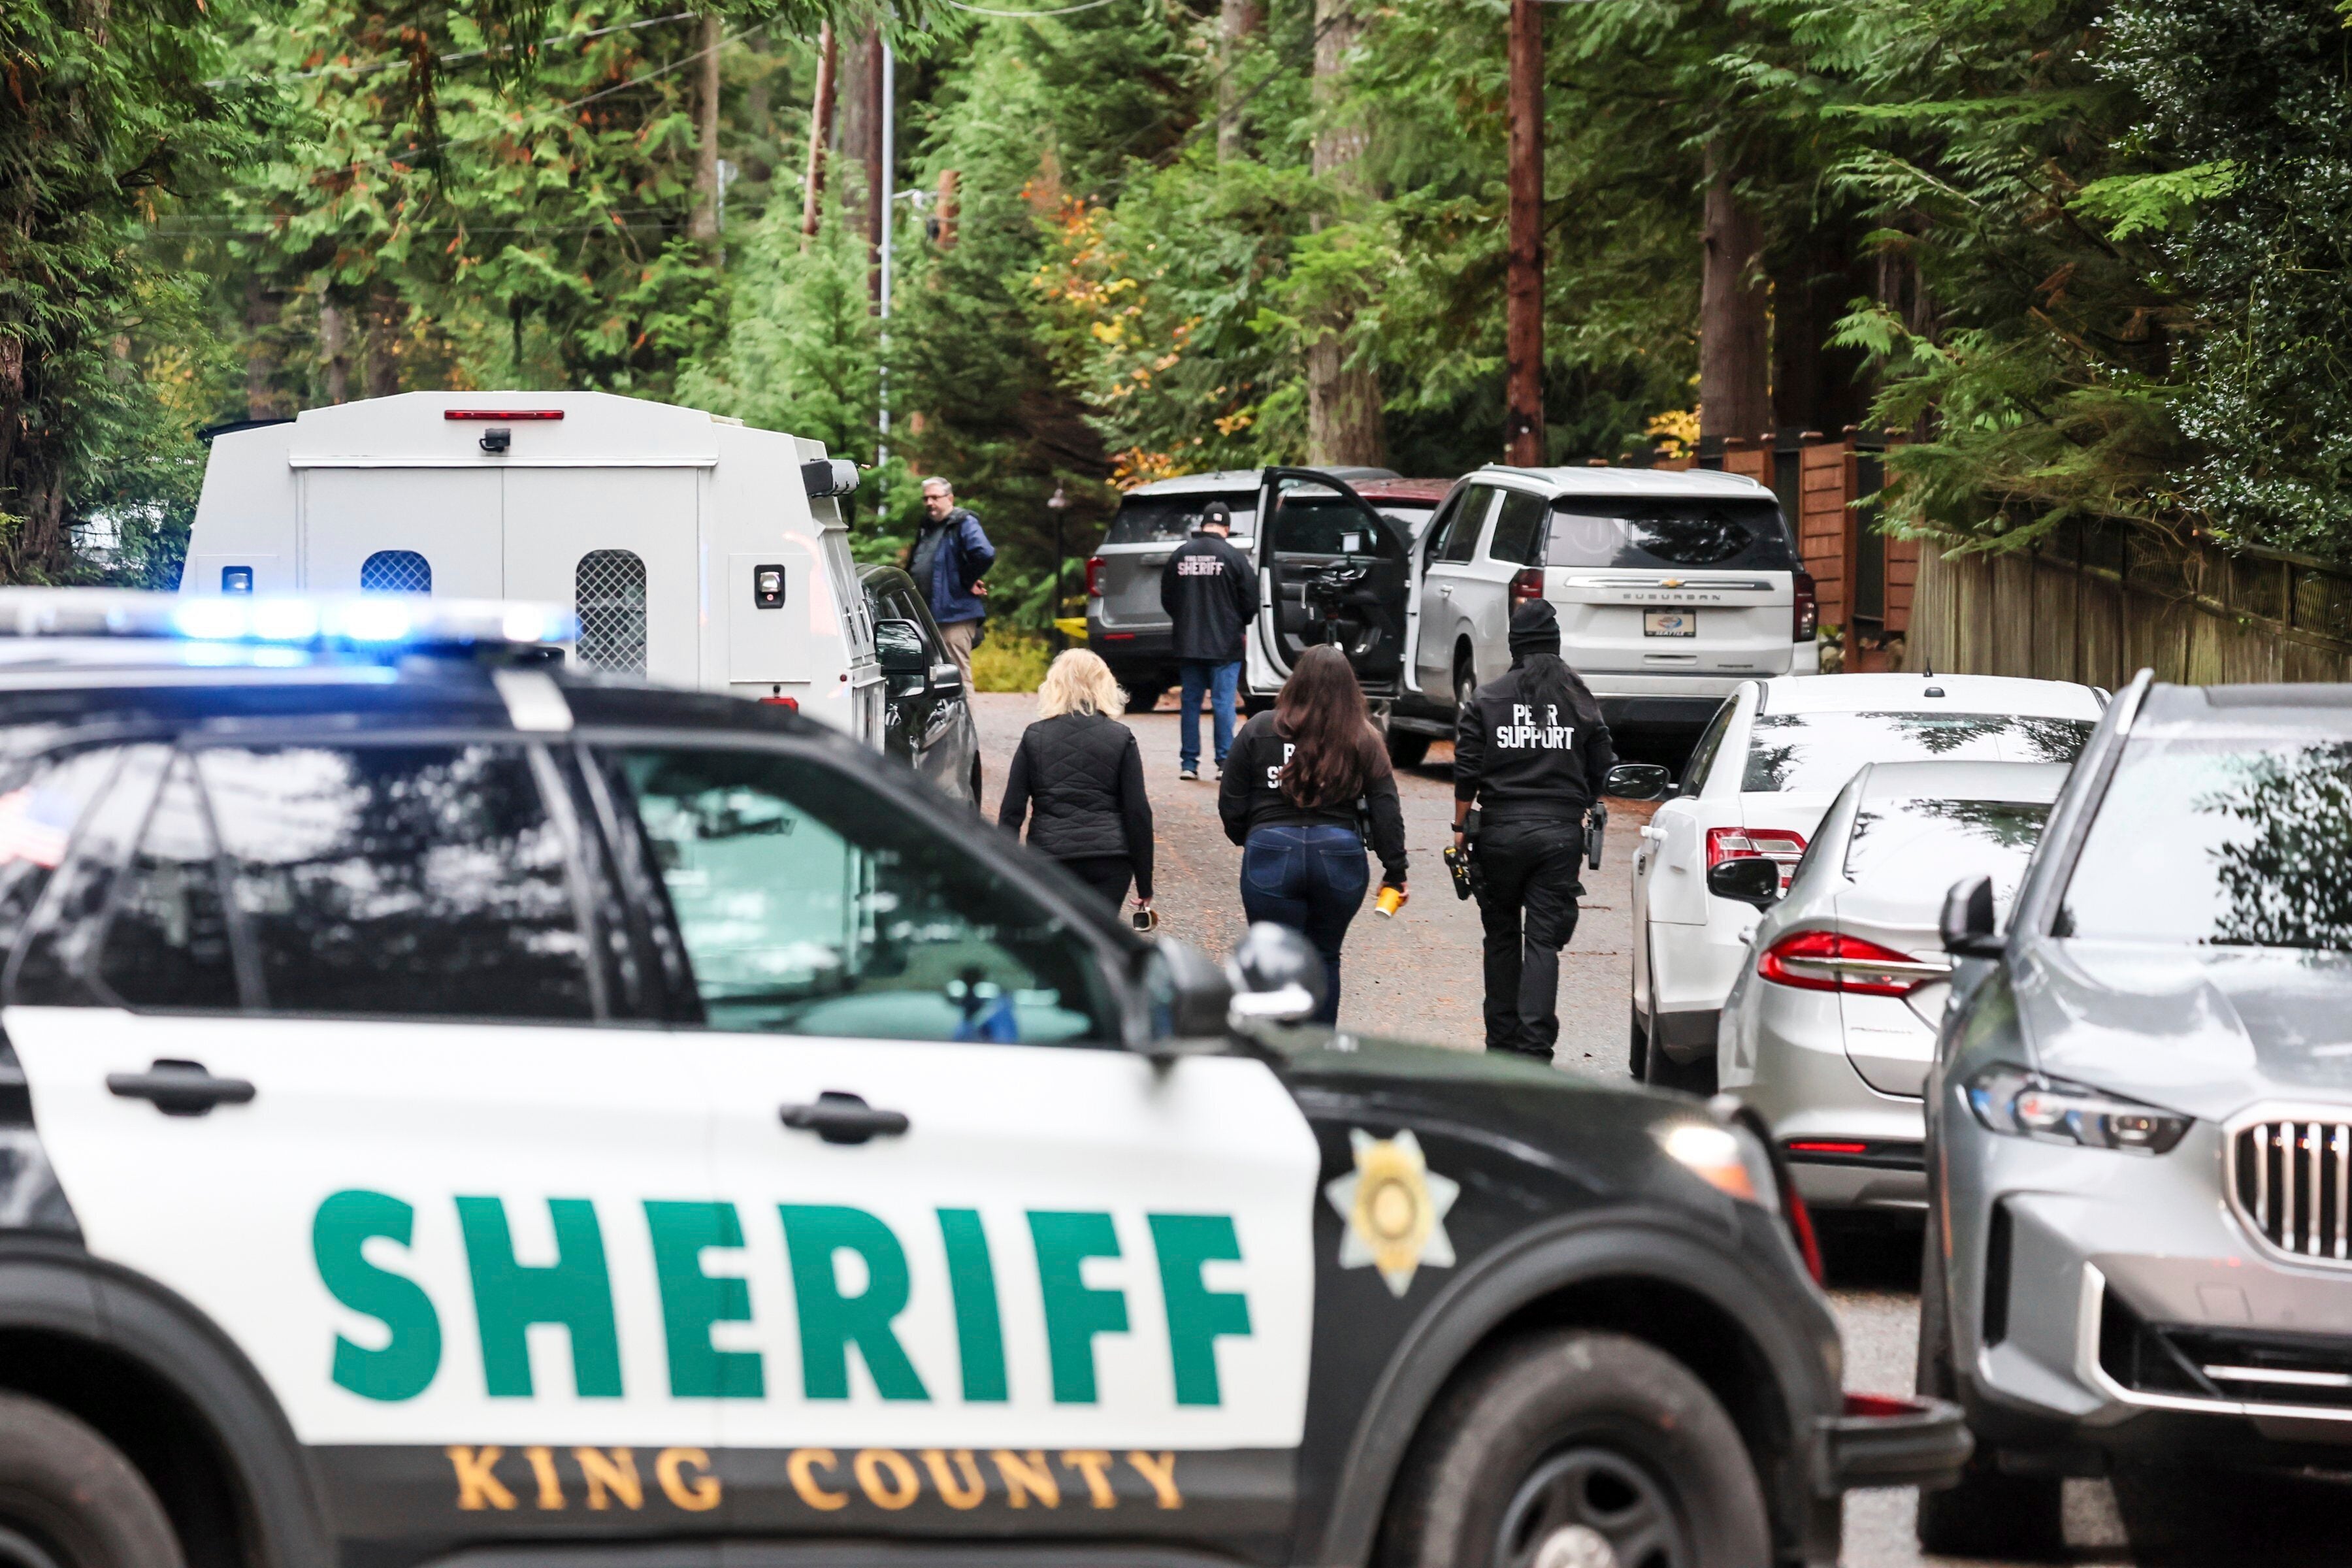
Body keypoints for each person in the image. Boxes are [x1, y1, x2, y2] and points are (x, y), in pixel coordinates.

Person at [1452, 599, 1616, 1062]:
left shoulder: (1487, 698)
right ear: (1555, 645)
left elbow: (1467, 771)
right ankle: (1536, 1048)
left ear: (1515, 646)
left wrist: (1460, 827)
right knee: (1543, 942)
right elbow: (1604, 767)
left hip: (1499, 832)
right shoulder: (1579, 697)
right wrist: (1580, 801)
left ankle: (1500, 1044)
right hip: (1559, 837)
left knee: (1501, 936)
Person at [1218, 644, 1407, 1024]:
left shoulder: (1258, 729)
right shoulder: (1363, 737)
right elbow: (1386, 808)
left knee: (1271, 958)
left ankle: (1275, 1053)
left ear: (1296, 682)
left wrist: (1251, 836)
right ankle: (1318, 1054)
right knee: (1325, 956)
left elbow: (1231, 801)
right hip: (1339, 856)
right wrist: (1395, 870)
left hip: (1270, 851)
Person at [998, 649, 1156, 919]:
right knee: (1099, 943)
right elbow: (1137, 812)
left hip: (1049, 858)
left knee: (1059, 943)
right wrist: (1144, 882)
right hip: (1109, 860)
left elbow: (1012, 811)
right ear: (1105, 686)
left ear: (1054, 686)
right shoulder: (1120, 737)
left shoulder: (1034, 736)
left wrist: (1004, 872)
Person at [1159, 498, 1259, 781]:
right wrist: (1240, 623)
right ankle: (1224, 762)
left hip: (1188, 643)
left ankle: (1189, 764)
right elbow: (1251, 599)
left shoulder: (1181, 555)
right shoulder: (1235, 557)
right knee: (1223, 703)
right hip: (1225, 644)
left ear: (1203, 526)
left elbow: (1168, 597)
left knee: (1190, 703)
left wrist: (1184, 620)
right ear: (1226, 528)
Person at [909, 477, 996, 691]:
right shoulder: (927, 528)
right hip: (929, 617)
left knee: (957, 677)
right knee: (931, 680)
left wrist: (968, 579)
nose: (930, 503)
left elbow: (984, 553)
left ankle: (966, 725)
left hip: (955, 616)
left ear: (950, 498)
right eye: (926, 498)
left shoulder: (963, 522)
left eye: (935, 497)